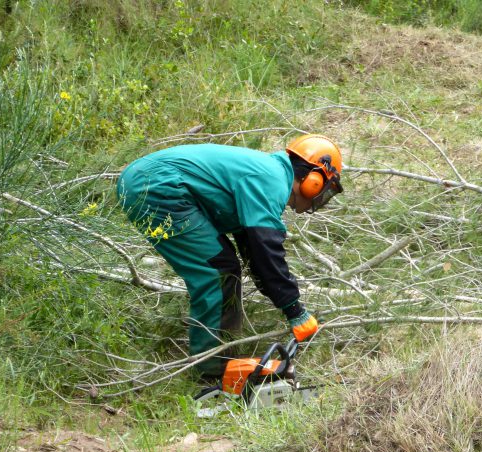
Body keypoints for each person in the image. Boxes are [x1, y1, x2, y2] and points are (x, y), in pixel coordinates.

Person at [116, 134, 343, 381]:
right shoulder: (272, 181)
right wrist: (294, 310)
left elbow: (254, 255)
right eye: (325, 189)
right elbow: (266, 250)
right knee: (217, 272)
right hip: (157, 187)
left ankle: (220, 358)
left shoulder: (269, 174)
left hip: (148, 182)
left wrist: (288, 302)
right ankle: (213, 372)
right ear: (314, 180)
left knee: (224, 267)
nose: (320, 198)